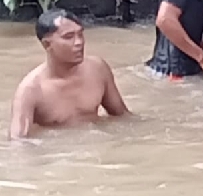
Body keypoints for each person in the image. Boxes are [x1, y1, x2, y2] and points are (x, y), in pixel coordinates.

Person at [9, 9, 129, 139]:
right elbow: (18, 142)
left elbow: (122, 116)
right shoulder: (31, 90)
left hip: (94, 148)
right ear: (47, 44)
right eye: (69, 37)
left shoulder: (97, 69)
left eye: (80, 34)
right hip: (59, 155)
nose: (79, 42)